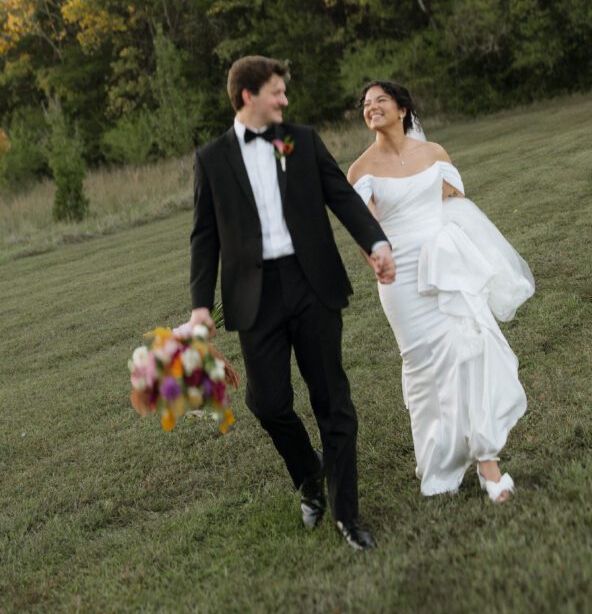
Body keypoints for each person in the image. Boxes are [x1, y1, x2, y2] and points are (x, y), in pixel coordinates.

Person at [185, 56, 396, 551]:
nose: (284, 100)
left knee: (332, 400)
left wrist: (376, 242)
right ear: (247, 97)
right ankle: (309, 473)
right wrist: (199, 305)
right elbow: (204, 236)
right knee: (269, 402)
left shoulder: (298, 139)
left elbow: (340, 196)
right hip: (254, 297)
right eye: (276, 92)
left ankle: (346, 515)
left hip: (312, 284)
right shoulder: (211, 159)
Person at [348, 80, 534, 502]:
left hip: (443, 269)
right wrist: (379, 262)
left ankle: (488, 465)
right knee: (422, 368)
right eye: (366, 104)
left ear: (402, 109)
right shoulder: (361, 170)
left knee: (466, 351)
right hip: (399, 279)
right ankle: (439, 463)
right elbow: (366, 232)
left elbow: (455, 207)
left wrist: (459, 256)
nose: (371, 108)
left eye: (381, 101)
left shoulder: (435, 155)